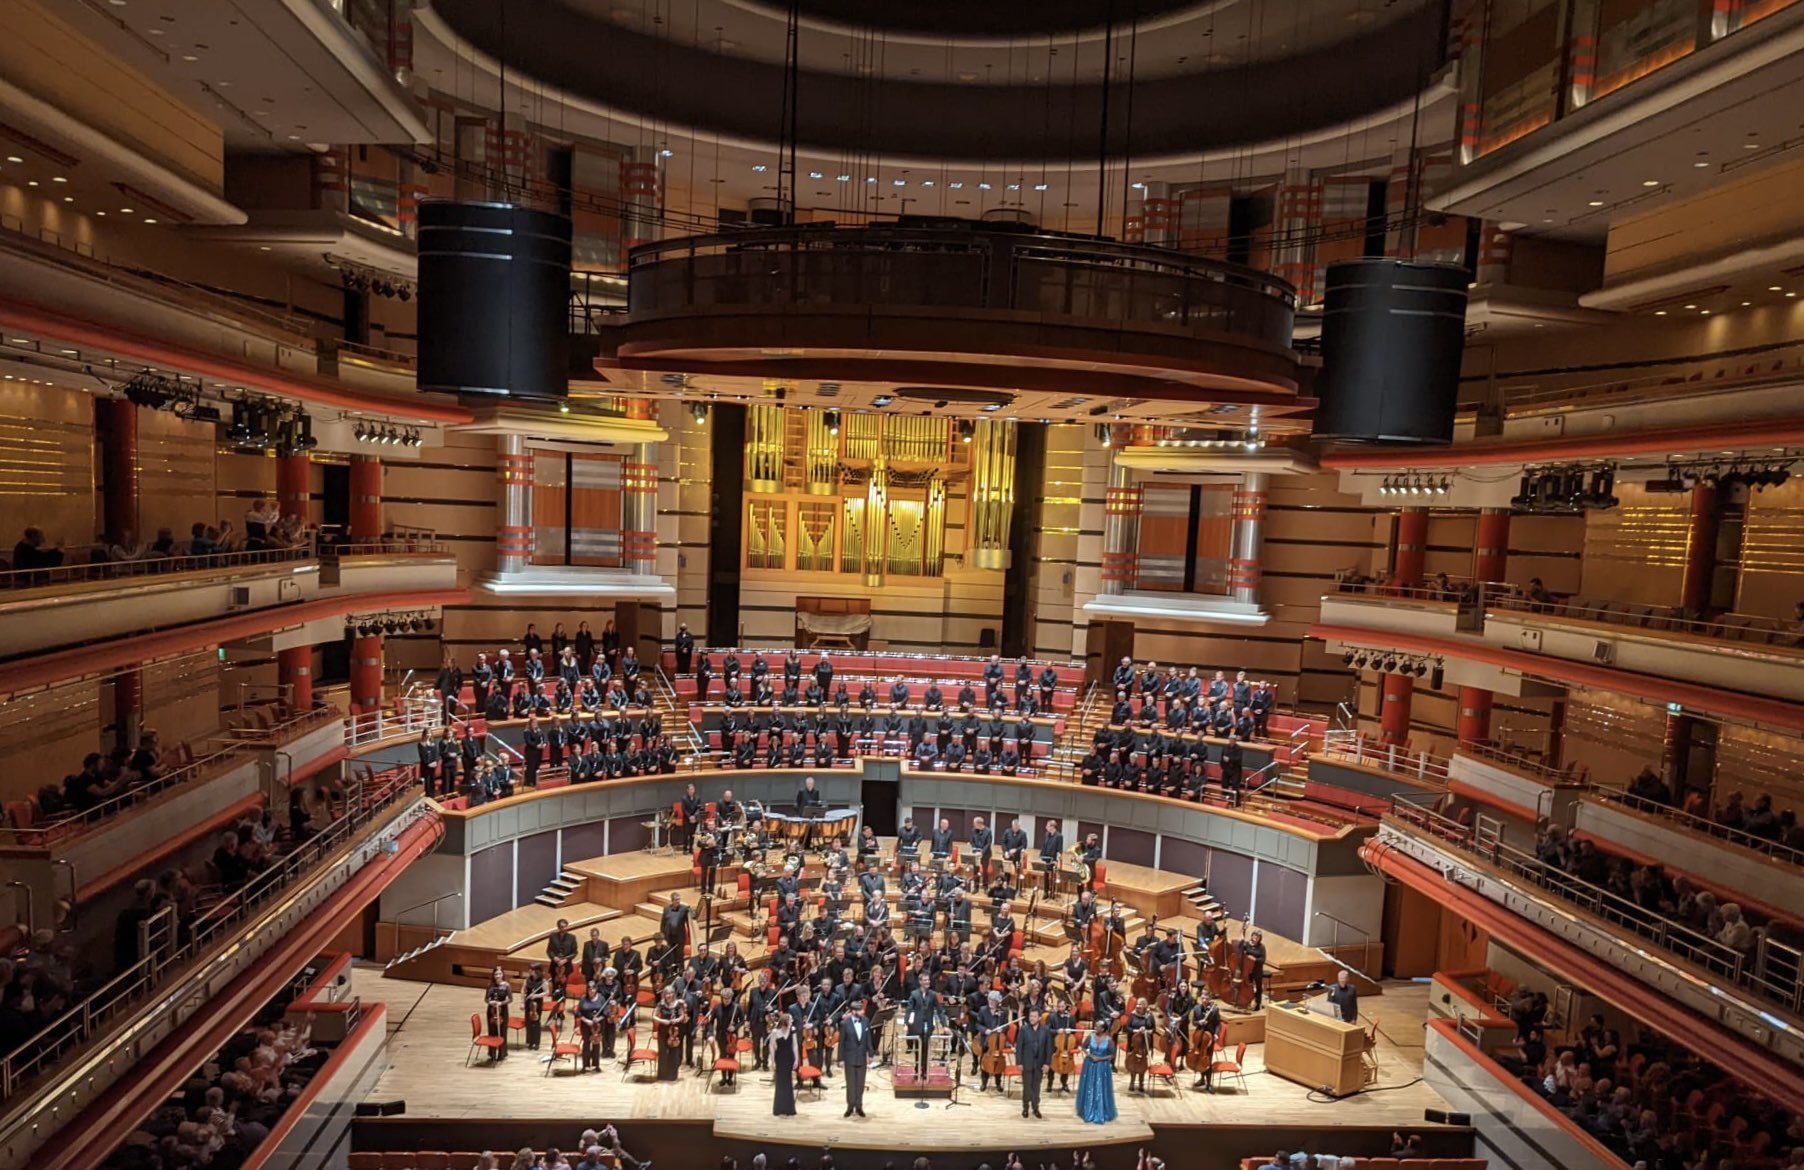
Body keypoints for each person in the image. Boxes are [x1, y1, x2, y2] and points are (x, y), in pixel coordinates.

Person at [838, 997, 873, 1118]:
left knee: (860, 1084)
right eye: (860, 1010)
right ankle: (850, 1107)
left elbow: (868, 1039)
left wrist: (871, 1054)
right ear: (853, 1011)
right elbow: (841, 1042)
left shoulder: (866, 1021)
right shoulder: (844, 1024)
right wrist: (840, 1059)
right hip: (849, 1057)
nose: (862, 1012)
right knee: (851, 1084)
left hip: (862, 1057)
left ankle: (859, 1106)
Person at [1016, 1005, 1051, 1119]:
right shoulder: (1024, 1029)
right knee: (1027, 1087)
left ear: (1039, 1018)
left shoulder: (1045, 1030)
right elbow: (1019, 1048)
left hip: (1039, 1064)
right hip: (1027, 1063)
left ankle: (1035, 1108)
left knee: (1037, 1087)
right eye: (1030, 1016)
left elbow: (1048, 1048)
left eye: (1034, 1016)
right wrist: (1019, 1063)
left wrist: (1047, 1063)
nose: (1031, 1018)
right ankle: (1025, 1108)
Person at [1075, 1024, 1116, 1123]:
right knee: (1089, 1086)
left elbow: (1112, 1055)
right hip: (1090, 1064)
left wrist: (1100, 1058)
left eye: (1098, 1026)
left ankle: (1100, 1110)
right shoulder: (1091, 1036)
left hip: (1102, 1066)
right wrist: (1089, 1055)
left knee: (1100, 1087)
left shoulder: (1109, 1040)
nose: (1095, 1028)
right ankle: (1087, 1109)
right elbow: (1083, 1047)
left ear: (1103, 1029)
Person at [770, 1012, 798, 1116]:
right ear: (785, 1022)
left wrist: (796, 1059)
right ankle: (779, 1108)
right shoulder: (775, 1032)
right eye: (790, 1020)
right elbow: (772, 1047)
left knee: (788, 1083)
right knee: (780, 1083)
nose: (792, 1022)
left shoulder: (793, 1030)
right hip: (780, 1059)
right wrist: (773, 1062)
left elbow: (795, 1045)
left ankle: (789, 1109)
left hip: (789, 1058)